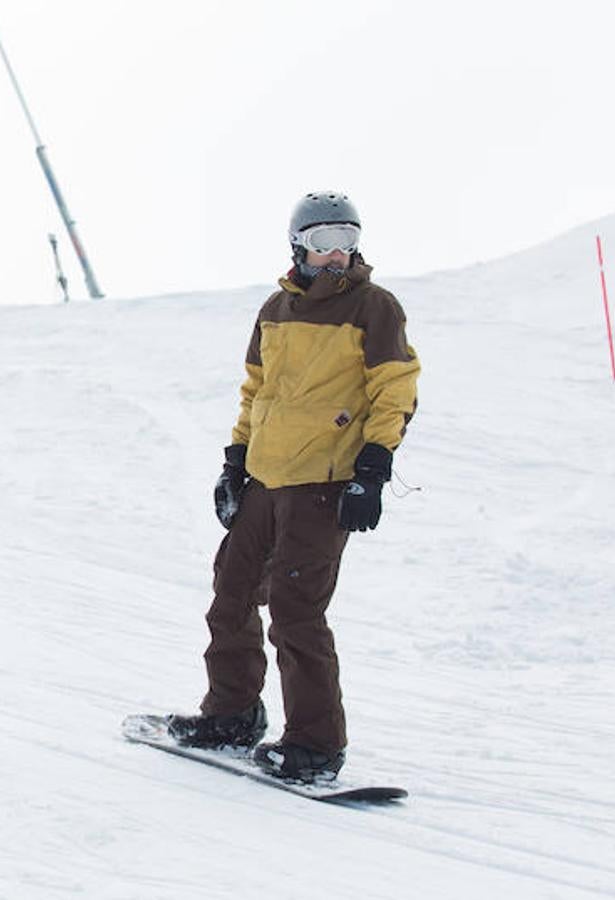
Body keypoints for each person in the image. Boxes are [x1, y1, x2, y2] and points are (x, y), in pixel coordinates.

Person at [164, 192, 421, 784]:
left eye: (348, 241)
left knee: (296, 613)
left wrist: (374, 470)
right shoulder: (275, 309)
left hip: (323, 485)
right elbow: (257, 391)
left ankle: (315, 743)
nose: (337, 254)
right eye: (325, 240)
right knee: (230, 597)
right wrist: (235, 463)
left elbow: (395, 390)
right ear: (298, 245)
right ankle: (231, 712)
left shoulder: (373, 308)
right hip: (265, 478)